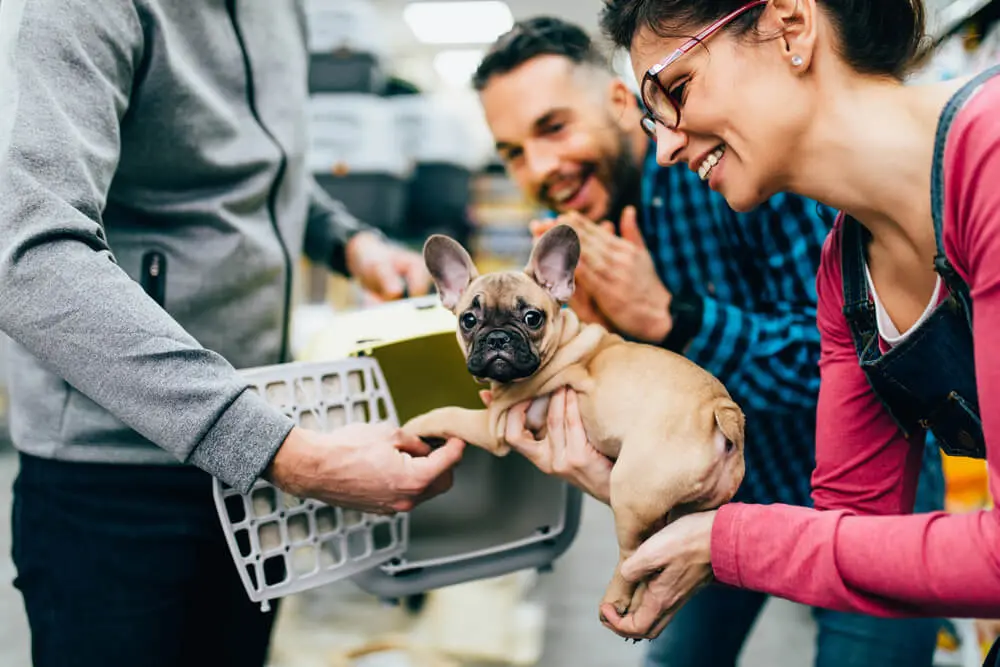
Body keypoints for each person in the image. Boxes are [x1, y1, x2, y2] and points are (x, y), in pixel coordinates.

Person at [472, 16, 947, 667]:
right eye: (514, 152)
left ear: (619, 103)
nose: (542, 166)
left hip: (868, 492)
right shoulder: (561, 258)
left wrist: (674, 317)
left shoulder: (745, 164)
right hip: (713, 498)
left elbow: (852, 364)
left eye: (554, 127)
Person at [0, 1, 466, 666]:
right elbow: (29, 260)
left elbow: (266, 166)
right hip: (113, 482)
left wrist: (349, 242)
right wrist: (285, 452)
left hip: (250, 465)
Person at [581, 0, 1000, 660]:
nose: (663, 148)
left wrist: (728, 540)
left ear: (790, 26)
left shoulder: (991, 158)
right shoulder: (845, 271)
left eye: (678, 90)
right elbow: (850, 534)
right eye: (652, 117)